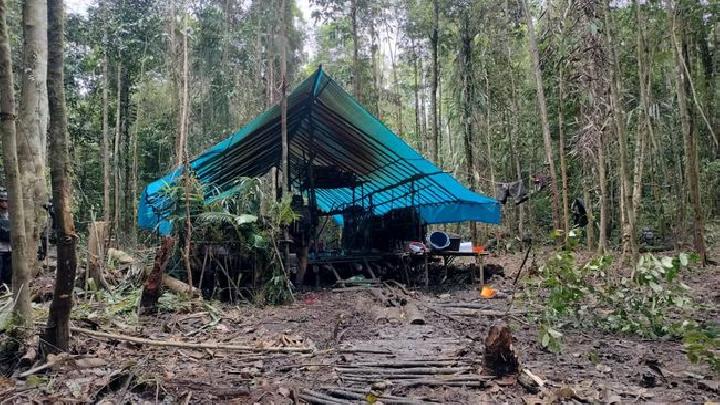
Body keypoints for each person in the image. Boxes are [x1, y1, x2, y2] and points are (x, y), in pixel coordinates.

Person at [0, 190, 12, 287]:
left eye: (6, 201)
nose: (5, 203)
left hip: (10, 249)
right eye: (2, 201)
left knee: (8, 272)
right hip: (1, 248)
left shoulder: (12, 216)